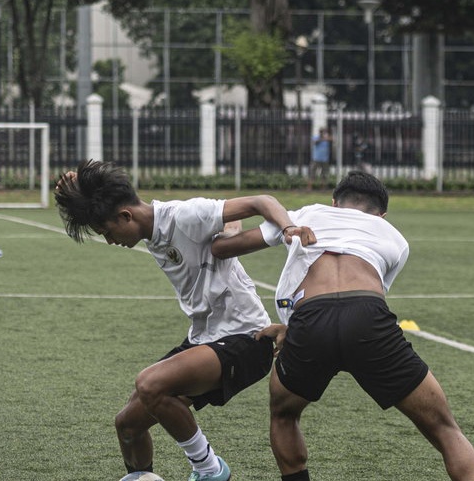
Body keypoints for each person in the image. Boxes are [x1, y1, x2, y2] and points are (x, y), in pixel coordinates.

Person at [211, 171, 474, 481]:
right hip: (366, 316)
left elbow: (222, 249)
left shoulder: (307, 214)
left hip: (310, 319)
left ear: (334, 203)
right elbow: (366, 296)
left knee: (284, 414)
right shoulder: (394, 236)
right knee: (445, 429)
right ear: (382, 214)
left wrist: (229, 227)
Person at [54, 159, 297, 481]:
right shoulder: (153, 230)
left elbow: (261, 202)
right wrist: (78, 190)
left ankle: (210, 470)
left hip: (247, 338)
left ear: (125, 216)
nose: (110, 241)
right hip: (204, 338)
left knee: (150, 383)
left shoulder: (184, 215)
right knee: (128, 424)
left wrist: (289, 228)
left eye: (107, 232)